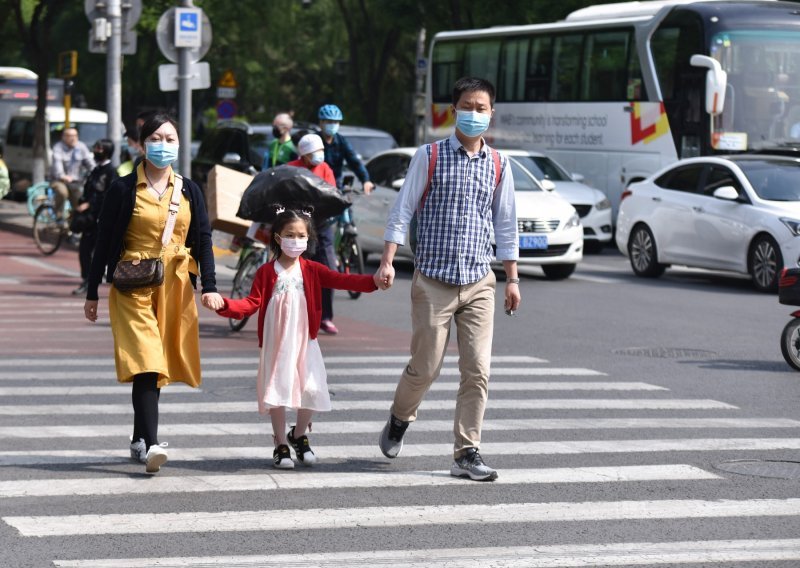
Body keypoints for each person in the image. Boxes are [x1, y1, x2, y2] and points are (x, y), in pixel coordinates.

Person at [374, 77, 521, 482]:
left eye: (482, 107)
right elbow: (403, 209)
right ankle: (400, 418)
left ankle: (467, 451)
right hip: (433, 280)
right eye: (467, 106)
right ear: (452, 111)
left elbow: (505, 223)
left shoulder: (499, 164)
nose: (474, 114)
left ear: (492, 114)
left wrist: (512, 278)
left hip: (479, 281)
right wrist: (388, 260)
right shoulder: (431, 155)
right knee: (425, 367)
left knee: (477, 370)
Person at [83, 113, 224, 474]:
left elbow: (204, 239)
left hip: (175, 284)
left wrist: (209, 286)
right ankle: (151, 445)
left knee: (158, 367)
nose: (164, 145)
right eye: (157, 138)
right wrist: (93, 291)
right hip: (133, 283)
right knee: (147, 360)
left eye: (171, 138)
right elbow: (104, 238)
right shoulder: (123, 188)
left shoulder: (190, 189)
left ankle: (137, 437)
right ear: (142, 144)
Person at [212, 207, 380, 468]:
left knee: (311, 388)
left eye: (301, 235)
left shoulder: (312, 270)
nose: (296, 239)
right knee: (278, 390)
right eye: (290, 234)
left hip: (306, 341)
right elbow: (250, 303)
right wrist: (223, 304)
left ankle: (298, 434)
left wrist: (374, 281)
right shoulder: (267, 272)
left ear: (308, 237)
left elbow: (343, 280)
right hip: (276, 343)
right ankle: (280, 443)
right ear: (278, 238)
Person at [286, 133, 340, 334]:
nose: (318, 155)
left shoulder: (325, 169)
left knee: (328, 269)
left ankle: (325, 317)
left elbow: (332, 194)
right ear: (304, 155)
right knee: (297, 272)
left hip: (322, 225)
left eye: (320, 151)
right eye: (314, 152)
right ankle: (297, 315)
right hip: (297, 228)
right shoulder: (291, 168)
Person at [71, 139, 118, 296]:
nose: (96, 150)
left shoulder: (111, 171)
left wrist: (90, 205)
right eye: (96, 147)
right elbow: (88, 190)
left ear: (106, 151)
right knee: (84, 250)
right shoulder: (95, 170)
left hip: (101, 219)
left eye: (99, 148)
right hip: (90, 219)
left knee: (102, 252)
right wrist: (82, 204)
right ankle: (87, 280)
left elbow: (108, 195)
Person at [317, 104, 374, 195]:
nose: (333, 125)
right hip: (315, 186)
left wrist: (366, 180)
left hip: (335, 187)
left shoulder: (342, 141)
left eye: (335, 122)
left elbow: (355, 162)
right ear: (321, 123)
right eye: (329, 122)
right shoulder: (313, 140)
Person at [51, 127, 95, 219]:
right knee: (63, 193)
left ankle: (73, 222)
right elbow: (57, 164)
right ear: (63, 137)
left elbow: (90, 163)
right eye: (70, 136)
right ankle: (58, 216)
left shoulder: (81, 146)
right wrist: (63, 176)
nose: (73, 138)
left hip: (76, 182)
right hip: (60, 180)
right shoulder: (58, 147)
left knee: (80, 202)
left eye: (75, 135)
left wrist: (96, 171)